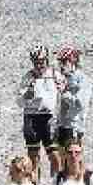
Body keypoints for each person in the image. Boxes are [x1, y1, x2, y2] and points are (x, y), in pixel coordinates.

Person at [18, 46, 60, 176]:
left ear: (47, 60)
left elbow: (63, 92)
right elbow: (19, 101)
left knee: (54, 155)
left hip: (49, 117)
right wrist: (26, 95)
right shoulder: (28, 77)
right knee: (33, 157)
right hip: (32, 117)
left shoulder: (54, 74)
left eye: (41, 61)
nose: (39, 64)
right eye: (36, 61)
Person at [55, 47, 93, 170]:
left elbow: (80, 103)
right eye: (60, 62)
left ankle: (80, 183)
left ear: (73, 62)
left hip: (74, 124)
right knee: (62, 158)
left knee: (75, 159)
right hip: (62, 123)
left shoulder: (82, 79)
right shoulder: (63, 77)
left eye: (64, 62)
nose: (61, 66)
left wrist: (64, 93)